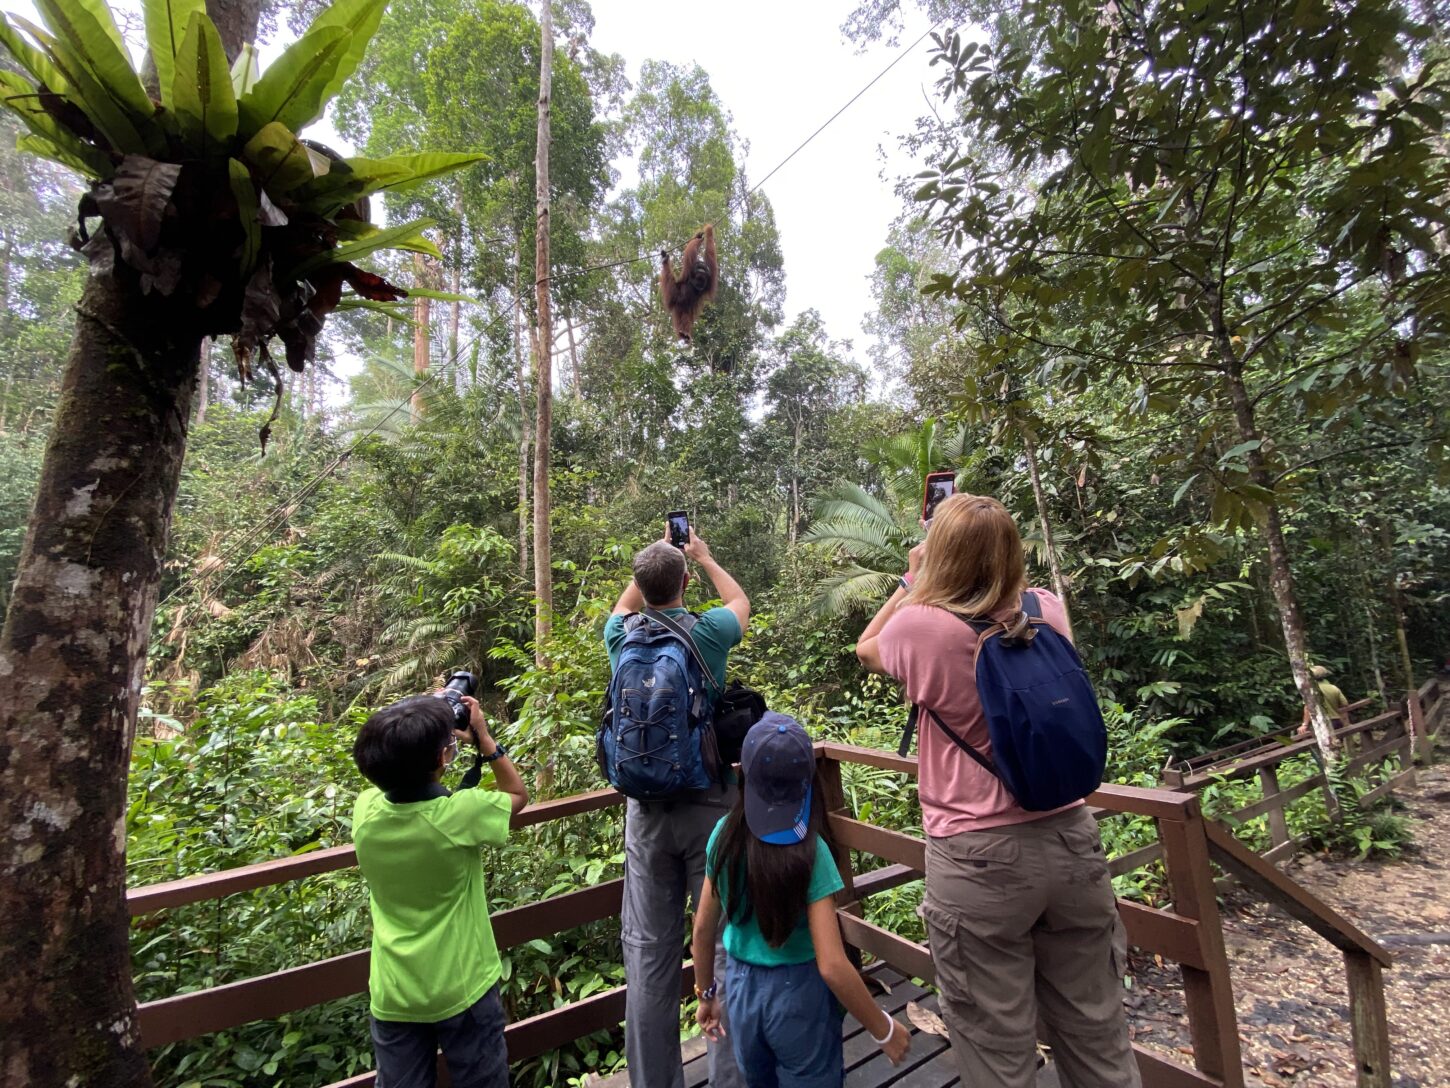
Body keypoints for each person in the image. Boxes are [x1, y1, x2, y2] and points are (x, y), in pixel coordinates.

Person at [855, 493, 1140, 1088]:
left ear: (943, 556)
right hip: (1071, 841)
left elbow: (866, 648)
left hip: (977, 856)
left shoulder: (920, 627)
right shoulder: (1047, 610)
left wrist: (912, 577)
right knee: (1099, 1037)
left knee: (996, 1049)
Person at [691, 713, 912, 1087]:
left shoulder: (722, 838)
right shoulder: (813, 853)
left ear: (743, 775)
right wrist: (883, 1028)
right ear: (807, 784)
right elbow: (831, 964)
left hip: (741, 992)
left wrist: (707, 994)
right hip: (800, 998)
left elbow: (701, 930)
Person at [605, 531, 750, 1088]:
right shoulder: (708, 632)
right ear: (685, 584)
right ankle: (731, 1078)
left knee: (647, 955)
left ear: (641, 588)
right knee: (724, 937)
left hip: (645, 813)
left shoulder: (620, 635)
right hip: (711, 806)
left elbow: (623, 604)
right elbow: (741, 602)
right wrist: (705, 557)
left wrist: (652, 559)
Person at [351, 693, 529, 1088]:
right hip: (463, 985)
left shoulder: (366, 812)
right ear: (442, 758)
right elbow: (517, 794)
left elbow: (396, 782)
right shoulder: (459, 814)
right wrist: (484, 739)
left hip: (395, 990)